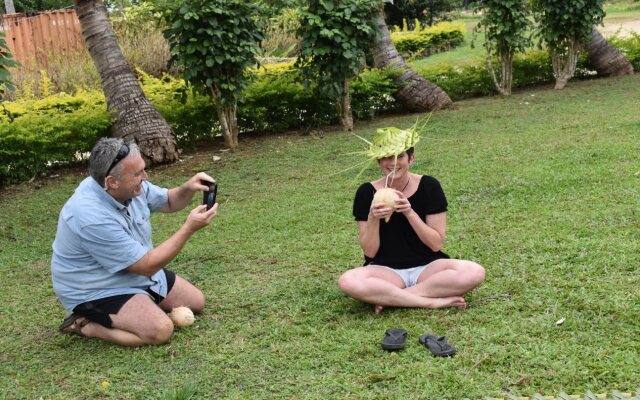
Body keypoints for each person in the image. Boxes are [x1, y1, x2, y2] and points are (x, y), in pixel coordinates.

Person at [51, 137, 218, 346]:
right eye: (138, 173)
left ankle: (138, 307)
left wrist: (189, 187)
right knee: (160, 331)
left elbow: (169, 201)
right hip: (96, 288)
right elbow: (146, 266)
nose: (145, 177)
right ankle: (87, 325)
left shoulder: (130, 186)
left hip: (132, 270)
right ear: (112, 182)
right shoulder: (89, 216)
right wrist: (188, 228)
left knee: (196, 302)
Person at [338, 126, 485, 313]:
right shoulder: (366, 192)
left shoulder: (429, 186)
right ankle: (430, 301)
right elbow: (370, 252)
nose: (393, 163)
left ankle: (392, 299)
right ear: (379, 161)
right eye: (387, 157)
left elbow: (435, 244)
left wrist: (410, 212)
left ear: (411, 159)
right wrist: (373, 217)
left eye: (400, 156)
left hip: (428, 267)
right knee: (348, 281)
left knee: (474, 272)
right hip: (385, 270)